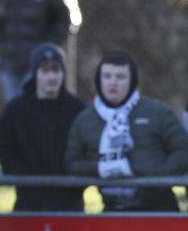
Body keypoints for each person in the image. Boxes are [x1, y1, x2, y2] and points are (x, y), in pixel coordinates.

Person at [65, 51, 188, 212]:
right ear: (98, 80)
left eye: (120, 77)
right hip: (112, 209)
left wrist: (159, 176)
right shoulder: (85, 120)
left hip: (158, 207)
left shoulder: (156, 112)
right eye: (107, 76)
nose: (113, 82)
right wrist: (101, 168)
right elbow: (72, 163)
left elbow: (182, 150)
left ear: (132, 80)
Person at [0, 44, 85, 211]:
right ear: (35, 73)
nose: (51, 77)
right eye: (45, 71)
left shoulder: (77, 109)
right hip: (28, 200)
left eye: (56, 70)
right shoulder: (15, 110)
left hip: (70, 203)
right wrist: (23, 176)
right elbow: (5, 147)